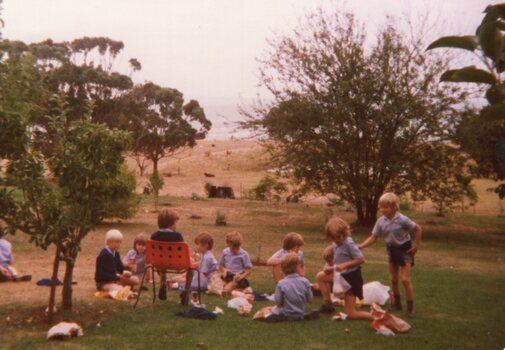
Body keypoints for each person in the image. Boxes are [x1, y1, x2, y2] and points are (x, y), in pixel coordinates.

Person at [358, 192, 422, 317]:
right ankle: (397, 304)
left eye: (385, 207)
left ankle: (410, 308)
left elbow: (418, 229)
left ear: (394, 207)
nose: (382, 209)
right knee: (393, 279)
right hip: (392, 251)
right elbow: (373, 237)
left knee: (404, 279)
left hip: (405, 250)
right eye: (381, 207)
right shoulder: (381, 221)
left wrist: (416, 247)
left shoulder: (402, 219)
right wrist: (361, 246)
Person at [316, 217, 372, 320]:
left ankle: (377, 316)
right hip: (340, 276)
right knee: (320, 277)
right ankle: (328, 305)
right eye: (333, 238)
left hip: (351, 279)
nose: (336, 240)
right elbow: (338, 259)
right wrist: (331, 268)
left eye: (338, 237)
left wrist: (344, 265)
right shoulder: (335, 243)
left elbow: (361, 259)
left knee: (351, 314)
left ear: (345, 233)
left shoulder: (349, 244)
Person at [150, 209, 192, 304]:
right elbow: (181, 253)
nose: (176, 225)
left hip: (159, 263)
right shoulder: (177, 236)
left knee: (162, 261)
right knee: (191, 268)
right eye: (175, 223)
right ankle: (186, 292)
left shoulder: (154, 236)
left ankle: (163, 283)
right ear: (170, 224)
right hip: (177, 263)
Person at [267, 253, 313, 321]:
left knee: (268, 310)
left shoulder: (281, 283)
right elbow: (310, 299)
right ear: (298, 267)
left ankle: (274, 316)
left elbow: (278, 303)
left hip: (286, 313)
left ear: (282, 268)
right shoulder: (305, 281)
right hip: (300, 313)